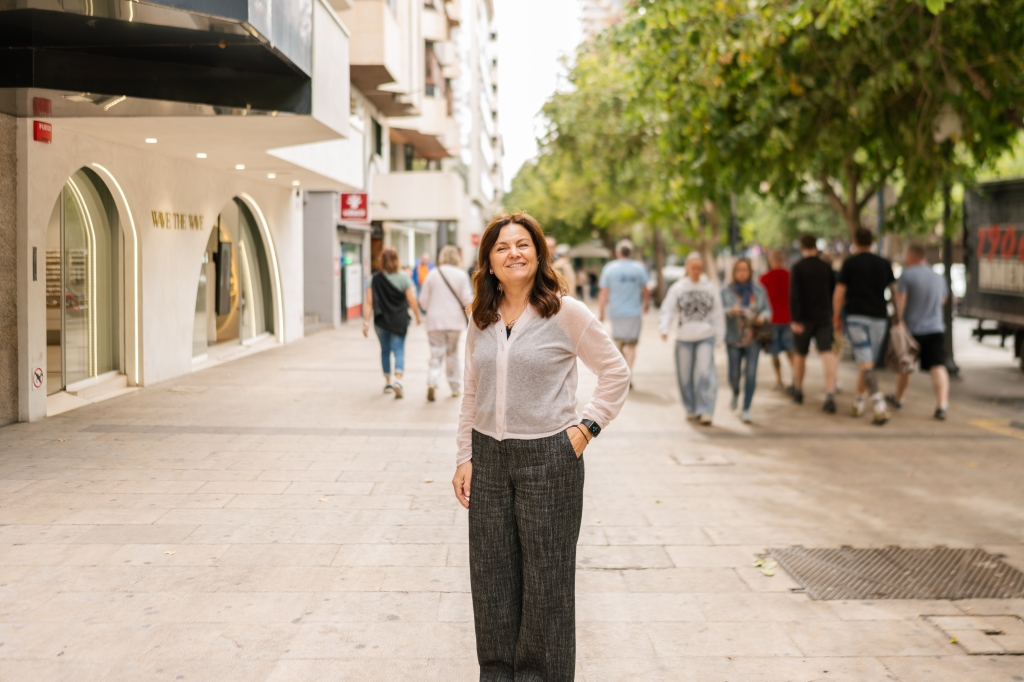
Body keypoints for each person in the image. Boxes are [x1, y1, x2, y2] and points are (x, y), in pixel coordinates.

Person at [452, 212, 630, 681]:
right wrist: (464, 456)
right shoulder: (481, 317)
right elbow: (472, 391)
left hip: (550, 460)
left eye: (522, 244)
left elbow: (616, 373)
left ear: (538, 253)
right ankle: (496, 672)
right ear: (489, 262)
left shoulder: (565, 313)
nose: (514, 253)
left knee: (546, 583)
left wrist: (586, 428)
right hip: (489, 458)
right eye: (502, 247)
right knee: (491, 577)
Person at [833, 228, 896, 425]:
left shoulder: (850, 263)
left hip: (856, 318)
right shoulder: (884, 263)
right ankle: (862, 402)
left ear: (855, 241)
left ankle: (877, 405)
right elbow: (896, 291)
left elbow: (839, 293)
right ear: (871, 242)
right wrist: (899, 316)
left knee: (865, 363)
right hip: (879, 318)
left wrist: (836, 317)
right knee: (867, 362)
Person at [659, 252, 725, 425]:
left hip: (705, 336)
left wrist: (719, 337)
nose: (696, 270)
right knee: (685, 376)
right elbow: (667, 309)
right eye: (693, 267)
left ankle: (705, 410)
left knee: (705, 372)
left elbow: (718, 313)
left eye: (699, 268)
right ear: (687, 268)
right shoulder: (678, 288)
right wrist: (664, 328)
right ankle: (691, 408)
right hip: (684, 338)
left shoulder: (709, 287)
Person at [888, 241, 950, 420]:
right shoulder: (939, 277)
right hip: (935, 328)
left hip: (912, 329)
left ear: (911, 257)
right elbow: (943, 300)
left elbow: (901, 301)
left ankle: (898, 398)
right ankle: (942, 405)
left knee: (905, 367)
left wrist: (898, 321)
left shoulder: (907, 275)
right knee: (937, 366)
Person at [363, 247, 421, 399]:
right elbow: (411, 299)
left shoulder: (374, 278)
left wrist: (365, 323)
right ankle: (398, 380)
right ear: (397, 260)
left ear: (381, 261)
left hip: (380, 321)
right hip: (399, 320)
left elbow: (369, 302)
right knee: (399, 349)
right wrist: (418, 316)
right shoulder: (403, 277)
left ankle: (388, 382)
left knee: (385, 350)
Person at [790, 234, 838, 412]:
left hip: (803, 319)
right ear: (816, 247)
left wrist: (795, 319)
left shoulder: (798, 267)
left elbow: (794, 296)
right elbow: (833, 291)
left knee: (800, 355)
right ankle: (830, 393)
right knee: (827, 354)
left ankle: (798, 389)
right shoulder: (826, 267)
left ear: (802, 247)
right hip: (824, 317)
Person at [419, 245, 474, 402]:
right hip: (454, 322)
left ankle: (432, 381)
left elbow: (423, 302)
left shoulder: (432, 274)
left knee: (436, 352)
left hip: (434, 322)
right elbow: (467, 300)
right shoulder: (461, 275)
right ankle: (455, 387)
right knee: (452, 353)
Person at [722, 258, 772, 423]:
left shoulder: (758, 290)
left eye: (745, 270)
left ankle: (746, 408)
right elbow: (718, 311)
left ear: (750, 272)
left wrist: (762, 318)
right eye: (739, 270)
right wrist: (731, 311)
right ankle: (735, 392)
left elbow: (767, 310)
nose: (742, 273)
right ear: (734, 272)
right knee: (734, 375)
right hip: (733, 338)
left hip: (753, 338)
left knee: (751, 374)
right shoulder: (726, 291)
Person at [598, 239, 650, 381]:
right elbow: (646, 291)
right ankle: (629, 374)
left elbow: (604, 292)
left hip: (616, 312)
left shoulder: (609, 268)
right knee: (632, 345)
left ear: (617, 253)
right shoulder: (639, 268)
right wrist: (646, 305)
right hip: (634, 313)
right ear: (631, 253)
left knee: (619, 343)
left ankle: (622, 374)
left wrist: (601, 311)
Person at [759, 248, 794, 391]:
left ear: (770, 260)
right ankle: (796, 377)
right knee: (791, 350)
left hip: (772, 320)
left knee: (774, 352)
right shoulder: (790, 276)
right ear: (782, 259)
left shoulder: (764, 278)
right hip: (788, 318)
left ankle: (779, 380)